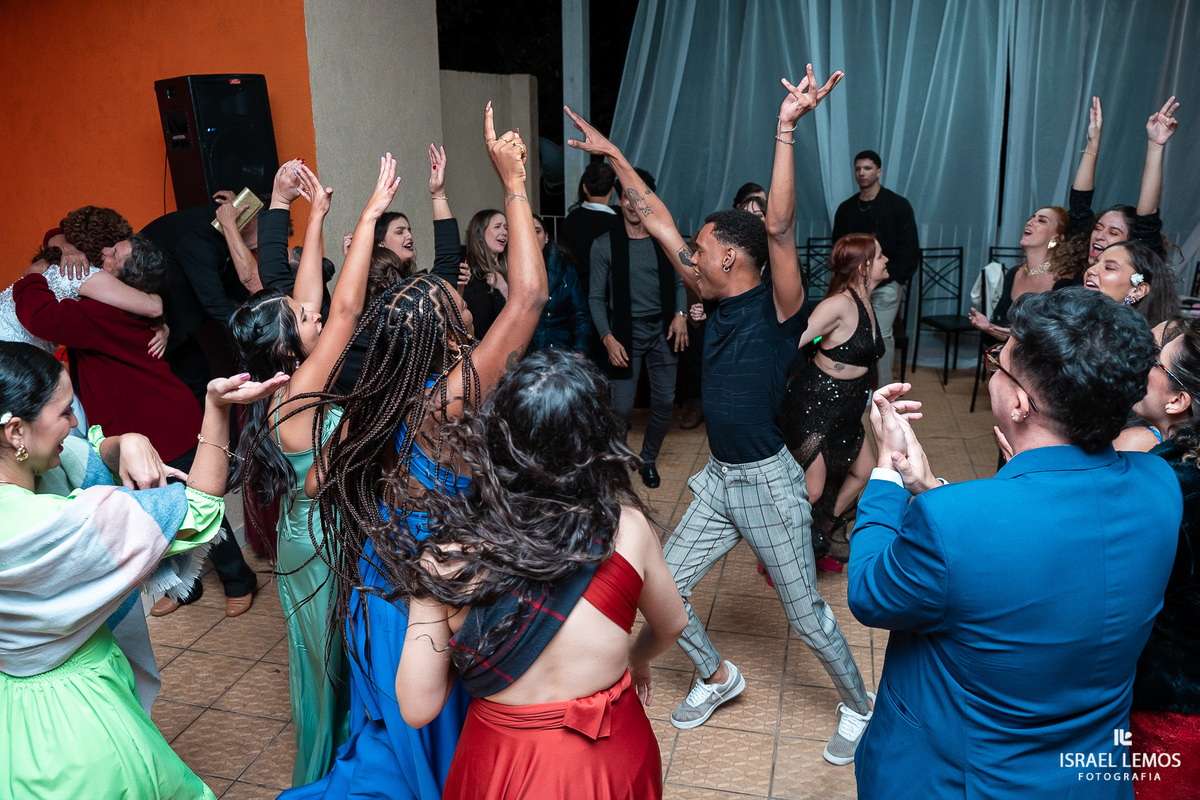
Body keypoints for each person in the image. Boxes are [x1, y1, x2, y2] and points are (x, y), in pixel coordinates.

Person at [566, 64, 874, 766]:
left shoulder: (777, 306)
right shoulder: (711, 283)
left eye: (702, 250)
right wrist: (614, 156)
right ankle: (717, 675)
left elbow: (785, 227)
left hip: (767, 481)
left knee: (807, 615)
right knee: (655, 585)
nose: (690, 254)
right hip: (719, 478)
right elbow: (660, 216)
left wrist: (785, 129)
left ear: (733, 256)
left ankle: (862, 706)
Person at [281, 102, 546, 800]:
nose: (471, 321)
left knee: (390, 740)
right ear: (445, 344)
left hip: (377, 594)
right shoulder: (442, 403)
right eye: (462, 320)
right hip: (429, 597)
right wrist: (513, 181)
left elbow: (314, 490)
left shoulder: (366, 409)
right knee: (432, 753)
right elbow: (526, 299)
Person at [850, 287, 1182, 799]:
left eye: (997, 365)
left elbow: (871, 592)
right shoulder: (1161, 486)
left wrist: (887, 473)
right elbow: (1034, 545)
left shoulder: (956, 523)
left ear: (1022, 403)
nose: (993, 374)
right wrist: (931, 487)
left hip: (965, 781)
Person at [392, 350, 688, 800]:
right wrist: (635, 659)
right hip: (611, 759)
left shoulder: (449, 558)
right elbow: (672, 624)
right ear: (596, 443)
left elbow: (417, 707)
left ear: (496, 440)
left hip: (502, 767)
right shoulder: (625, 529)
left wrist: (435, 593)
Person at [0, 340, 286, 800]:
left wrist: (123, 441)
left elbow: (84, 451)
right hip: (79, 720)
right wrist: (214, 408)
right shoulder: (62, 523)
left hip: (13, 715)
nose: (75, 424)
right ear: (15, 432)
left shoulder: (29, 489)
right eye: (65, 413)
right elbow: (200, 508)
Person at [230, 159, 375, 787]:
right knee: (325, 665)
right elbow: (339, 315)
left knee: (336, 656)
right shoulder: (296, 394)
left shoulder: (286, 375)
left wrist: (313, 215)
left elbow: (313, 302)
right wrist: (368, 218)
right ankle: (325, 775)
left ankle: (349, 758)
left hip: (313, 529)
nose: (310, 310)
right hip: (316, 542)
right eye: (301, 317)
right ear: (292, 345)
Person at [1116, 317, 1200, 798]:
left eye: (1154, 364)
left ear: (1177, 400)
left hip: (1171, 707)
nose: (1141, 368)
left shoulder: (1167, 484)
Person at [782, 233, 887, 573]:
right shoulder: (839, 305)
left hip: (848, 410)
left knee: (865, 472)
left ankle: (820, 532)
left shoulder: (868, 300)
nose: (887, 261)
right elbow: (792, 341)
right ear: (864, 265)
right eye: (881, 256)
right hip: (815, 406)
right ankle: (780, 549)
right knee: (812, 489)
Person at [588, 167, 688, 488]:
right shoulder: (605, 244)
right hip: (624, 332)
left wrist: (681, 313)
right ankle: (616, 462)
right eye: (627, 196)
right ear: (619, 199)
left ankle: (648, 459)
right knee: (620, 407)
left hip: (663, 331)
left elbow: (680, 280)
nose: (633, 204)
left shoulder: (665, 238)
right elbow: (595, 296)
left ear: (650, 200)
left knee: (663, 401)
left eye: (640, 197)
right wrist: (607, 337)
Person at [831, 149, 920, 388]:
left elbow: (910, 251)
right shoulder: (846, 209)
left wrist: (895, 279)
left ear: (879, 171)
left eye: (867, 168)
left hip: (887, 285)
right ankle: (849, 384)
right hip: (852, 286)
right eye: (858, 168)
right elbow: (838, 249)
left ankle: (885, 390)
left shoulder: (898, 206)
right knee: (846, 330)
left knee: (881, 333)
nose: (862, 173)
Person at [1065, 96, 1180, 277]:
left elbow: (1147, 221)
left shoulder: (1132, 289)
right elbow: (1079, 206)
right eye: (1098, 228)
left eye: (1113, 232)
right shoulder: (1081, 278)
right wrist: (1092, 144)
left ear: (1132, 245)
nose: (1100, 236)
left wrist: (1156, 147)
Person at [967, 206, 1071, 342]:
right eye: (1031, 218)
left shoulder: (1065, 282)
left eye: (1041, 220)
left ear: (1056, 237)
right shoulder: (1014, 274)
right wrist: (989, 327)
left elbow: (1060, 341)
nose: (1030, 222)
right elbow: (1007, 336)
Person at [529, 213, 592, 353]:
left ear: (546, 237)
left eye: (537, 231)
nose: (532, 236)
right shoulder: (509, 269)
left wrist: (580, 351)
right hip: (527, 354)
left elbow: (580, 315)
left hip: (561, 350)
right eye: (527, 231)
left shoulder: (564, 268)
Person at [1083, 240, 1179, 327]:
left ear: (1137, 290)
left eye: (1109, 268)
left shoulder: (1131, 341)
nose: (1091, 270)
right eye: (1094, 264)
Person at [558, 160, 620, 286]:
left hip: (574, 289)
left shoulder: (570, 219)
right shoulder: (617, 224)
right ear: (612, 189)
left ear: (585, 188)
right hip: (605, 293)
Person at [461, 208, 509, 339]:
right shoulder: (472, 275)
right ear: (480, 236)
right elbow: (484, 327)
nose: (504, 232)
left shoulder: (510, 269)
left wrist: (503, 287)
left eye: (506, 228)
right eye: (497, 227)